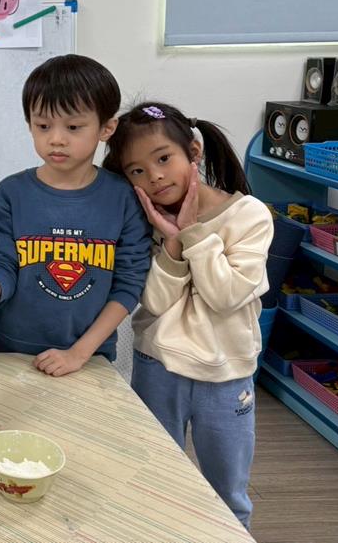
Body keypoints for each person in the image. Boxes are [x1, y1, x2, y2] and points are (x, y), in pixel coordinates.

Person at [102, 101, 271, 528]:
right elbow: (155, 303)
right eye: (137, 170)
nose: (155, 176)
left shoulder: (249, 215)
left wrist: (192, 232)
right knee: (156, 484)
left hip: (226, 376)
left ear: (194, 152)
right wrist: (171, 245)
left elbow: (225, 295)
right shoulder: (145, 222)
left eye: (163, 159)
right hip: (158, 368)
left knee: (227, 493)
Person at [0, 54, 151, 375]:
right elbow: (4, 270)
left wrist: (78, 354)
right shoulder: (10, 194)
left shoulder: (124, 198)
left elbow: (128, 286)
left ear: (106, 127)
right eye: (43, 126)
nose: (56, 138)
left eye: (73, 127)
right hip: (9, 354)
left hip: (90, 359)